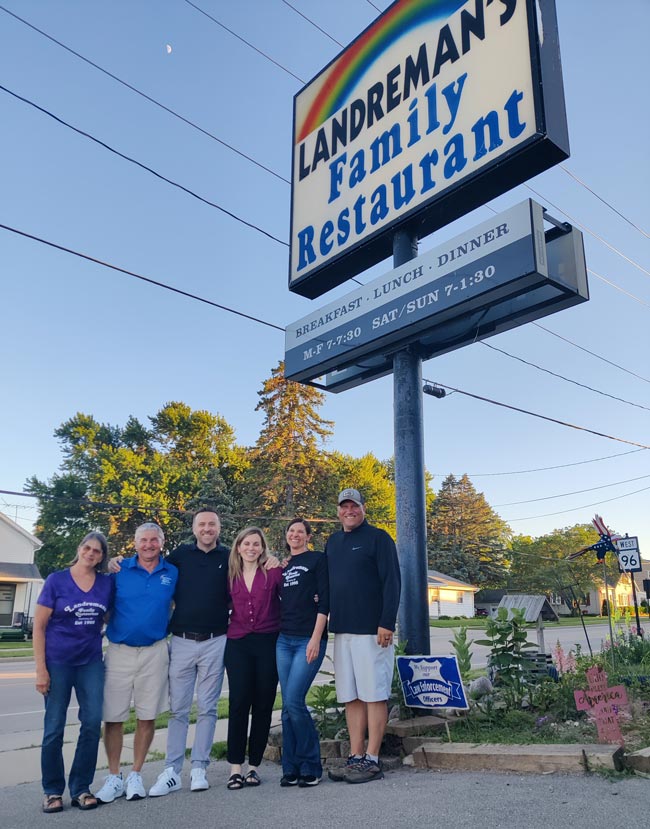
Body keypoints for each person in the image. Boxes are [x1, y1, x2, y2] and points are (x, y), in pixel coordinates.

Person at [94, 523, 178, 804]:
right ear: (135, 543)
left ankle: (136, 774)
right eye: (144, 540)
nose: (149, 545)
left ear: (162, 542)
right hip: (119, 651)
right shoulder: (118, 571)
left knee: (147, 716)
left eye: (154, 540)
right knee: (114, 717)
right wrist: (109, 562)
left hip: (155, 651)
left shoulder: (172, 572)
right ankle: (115, 776)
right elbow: (102, 604)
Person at [33, 532, 114, 813]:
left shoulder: (105, 584)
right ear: (79, 549)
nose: (91, 553)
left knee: (92, 723)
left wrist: (119, 564)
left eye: (97, 551)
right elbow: (39, 626)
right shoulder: (57, 580)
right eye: (87, 548)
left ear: (102, 556)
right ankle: (52, 790)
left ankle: (81, 787)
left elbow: (107, 616)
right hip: (58, 663)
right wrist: (41, 670)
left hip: (90, 662)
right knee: (54, 728)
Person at [325, 488, 401, 784]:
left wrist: (387, 623)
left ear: (363, 508)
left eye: (354, 506)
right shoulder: (333, 542)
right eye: (344, 507)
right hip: (342, 630)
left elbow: (392, 582)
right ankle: (355, 756)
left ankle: (372, 758)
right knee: (351, 696)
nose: (349, 511)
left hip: (373, 632)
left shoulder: (379, 538)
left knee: (374, 694)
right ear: (338, 511)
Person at [225, 526, 283, 790]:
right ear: (238, 547)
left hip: (267, 642)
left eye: (256, 544)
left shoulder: (273, 572)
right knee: (238, 704)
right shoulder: (229, 575)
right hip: (237, 643)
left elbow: (295, 592)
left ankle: (253, 767)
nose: (251, 548)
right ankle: (235, 767)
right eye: (246, 543)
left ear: (262, 548)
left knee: (263, 704)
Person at [276, 518, 329, 788]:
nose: (295, 535)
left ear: (308, 536)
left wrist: (316, 639)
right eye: (291, 531)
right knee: (287, 708)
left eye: (300, 531)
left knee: (295, 701)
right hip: (283, 640)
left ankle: (311, 765)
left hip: (308, 640)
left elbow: (325, 601)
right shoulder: (282, 567)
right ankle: (291, 768)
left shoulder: (317, 560)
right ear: (286, 536)